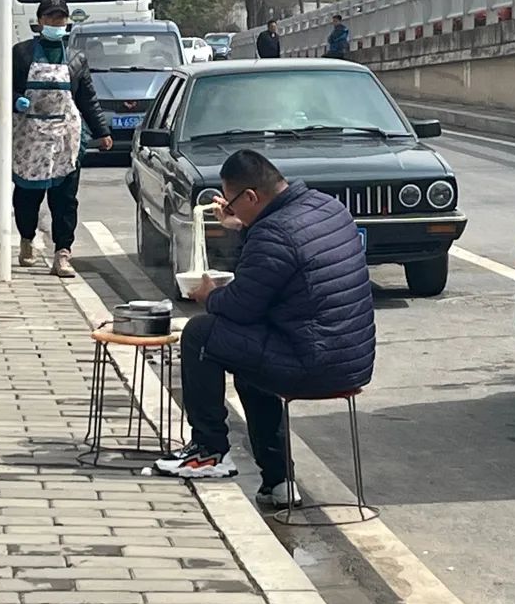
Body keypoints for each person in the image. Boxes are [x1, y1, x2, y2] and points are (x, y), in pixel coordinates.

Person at [154, 150, 376, 507]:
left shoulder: (273, 233)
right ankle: (279, 482)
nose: (229, 209)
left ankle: (209, 451)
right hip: (351, 360)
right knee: (249, 363)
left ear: (252, 196)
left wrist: (210, 295)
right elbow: (271, 274)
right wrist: (244, 226)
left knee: (201, 333)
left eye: (231, 202)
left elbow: (241, 306)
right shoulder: (326, 207)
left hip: (311, 363)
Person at [11, 0, 113, 277]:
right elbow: (4, 88)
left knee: (65, 199)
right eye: (51, 18)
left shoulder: (77, 58)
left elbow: (87, 99)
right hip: (29, 138)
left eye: (61, 18)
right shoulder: (20, 54)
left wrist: (102, 131)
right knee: (27, 196)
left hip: (65, 138)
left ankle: (62, 254)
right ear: (40, 20)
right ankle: (26, 240)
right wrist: (16, 99)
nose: (56, 23)